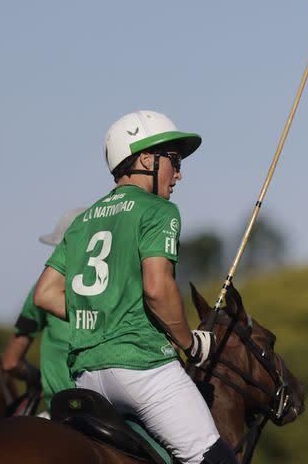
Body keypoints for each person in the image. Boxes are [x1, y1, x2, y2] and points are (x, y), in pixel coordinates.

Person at [34, 110, 238, 464]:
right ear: (146, 158)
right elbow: (157, 288)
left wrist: (103, 312)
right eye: (173, 160)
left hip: (85, 377)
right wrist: (189, 343)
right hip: (141, 367)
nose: (179, 173)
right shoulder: (158, 210)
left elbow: (46, 293)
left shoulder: (84, 220)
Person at [1, 209, 85, 409]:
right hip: (113, 401)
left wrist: (38, 378)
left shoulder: (41, 290)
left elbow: (10, 363)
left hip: (62, 405)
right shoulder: (121, 287)